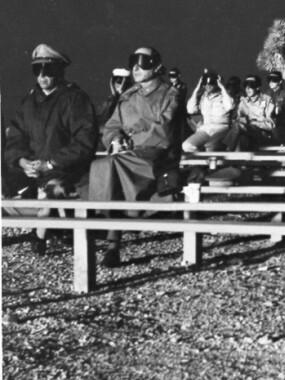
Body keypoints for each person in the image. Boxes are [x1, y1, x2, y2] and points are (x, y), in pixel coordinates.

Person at [87, 46, 181, 267]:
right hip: (127, 156)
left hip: (156, 157)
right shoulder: (128, 97)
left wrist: (131, 141)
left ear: (157, 66)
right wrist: (115, 140)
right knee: (102, 165)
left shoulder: (170, 94)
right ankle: (108, 236)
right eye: (133, 61)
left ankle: (110, 238)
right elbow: (111, 126)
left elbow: (164, 132)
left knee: (110, 166)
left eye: (144, 61)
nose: (137, 67)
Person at [3, 44, 98, 254]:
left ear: (60, 71)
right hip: (32, 173)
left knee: (52, 191)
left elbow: (84, 141)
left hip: (66, 172)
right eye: (38, 70)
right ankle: (55, 228)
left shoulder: (75, 99)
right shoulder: (29, 102)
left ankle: (40, 236)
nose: (43, 76)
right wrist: (22, 162)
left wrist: (50, 164)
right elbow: (16, 137)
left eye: (49, 70)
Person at [182, 69, 236, 152]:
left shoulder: (225, 95)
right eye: (206, 83)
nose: (208, 85)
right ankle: (201, 163)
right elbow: (190, 110)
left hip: (221, 128)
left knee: (210, 146)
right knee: (186, 145)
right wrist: (197, 89)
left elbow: (230, 106)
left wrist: (222, 87)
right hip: (205, 128)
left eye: (211, 83)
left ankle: (207, 161)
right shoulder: (203, 97)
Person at [225, 74, 275, 150]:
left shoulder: (266, 100)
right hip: (246, 132)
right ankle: (235, 159)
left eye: (251, 86)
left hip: (261, 132)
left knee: (239, 127)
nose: (247, 89)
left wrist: (251, 122)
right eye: (246, 86)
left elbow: (270, 125)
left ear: (258, 87)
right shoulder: (243, 102)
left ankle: (226, 150)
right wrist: (240, 119)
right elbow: (236, 120)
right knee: (241, 138)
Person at [267, 70, 285, 142]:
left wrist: (275, 121)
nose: (271, 82)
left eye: (274, 80)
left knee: (275, 131)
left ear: (280, 81)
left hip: (282, 125)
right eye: (269, 79)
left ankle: (278, 150)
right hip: (267, 122)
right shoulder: (267, 94)